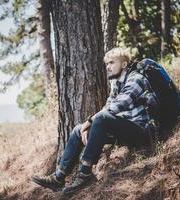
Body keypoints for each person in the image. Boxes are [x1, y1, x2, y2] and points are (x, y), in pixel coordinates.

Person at [31, 47, 158, 195]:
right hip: (127, 129)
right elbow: (107, 107)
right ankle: (59, 177)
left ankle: (85, 174)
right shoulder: (117, 82)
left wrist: (90, 121)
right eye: (107, 64)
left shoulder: (136, 79)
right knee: (79, 130)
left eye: (112, 62)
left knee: (100, 119)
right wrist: (87, 126)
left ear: (124, 64)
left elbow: (118, 106)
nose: (108, 67)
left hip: (142, 132)